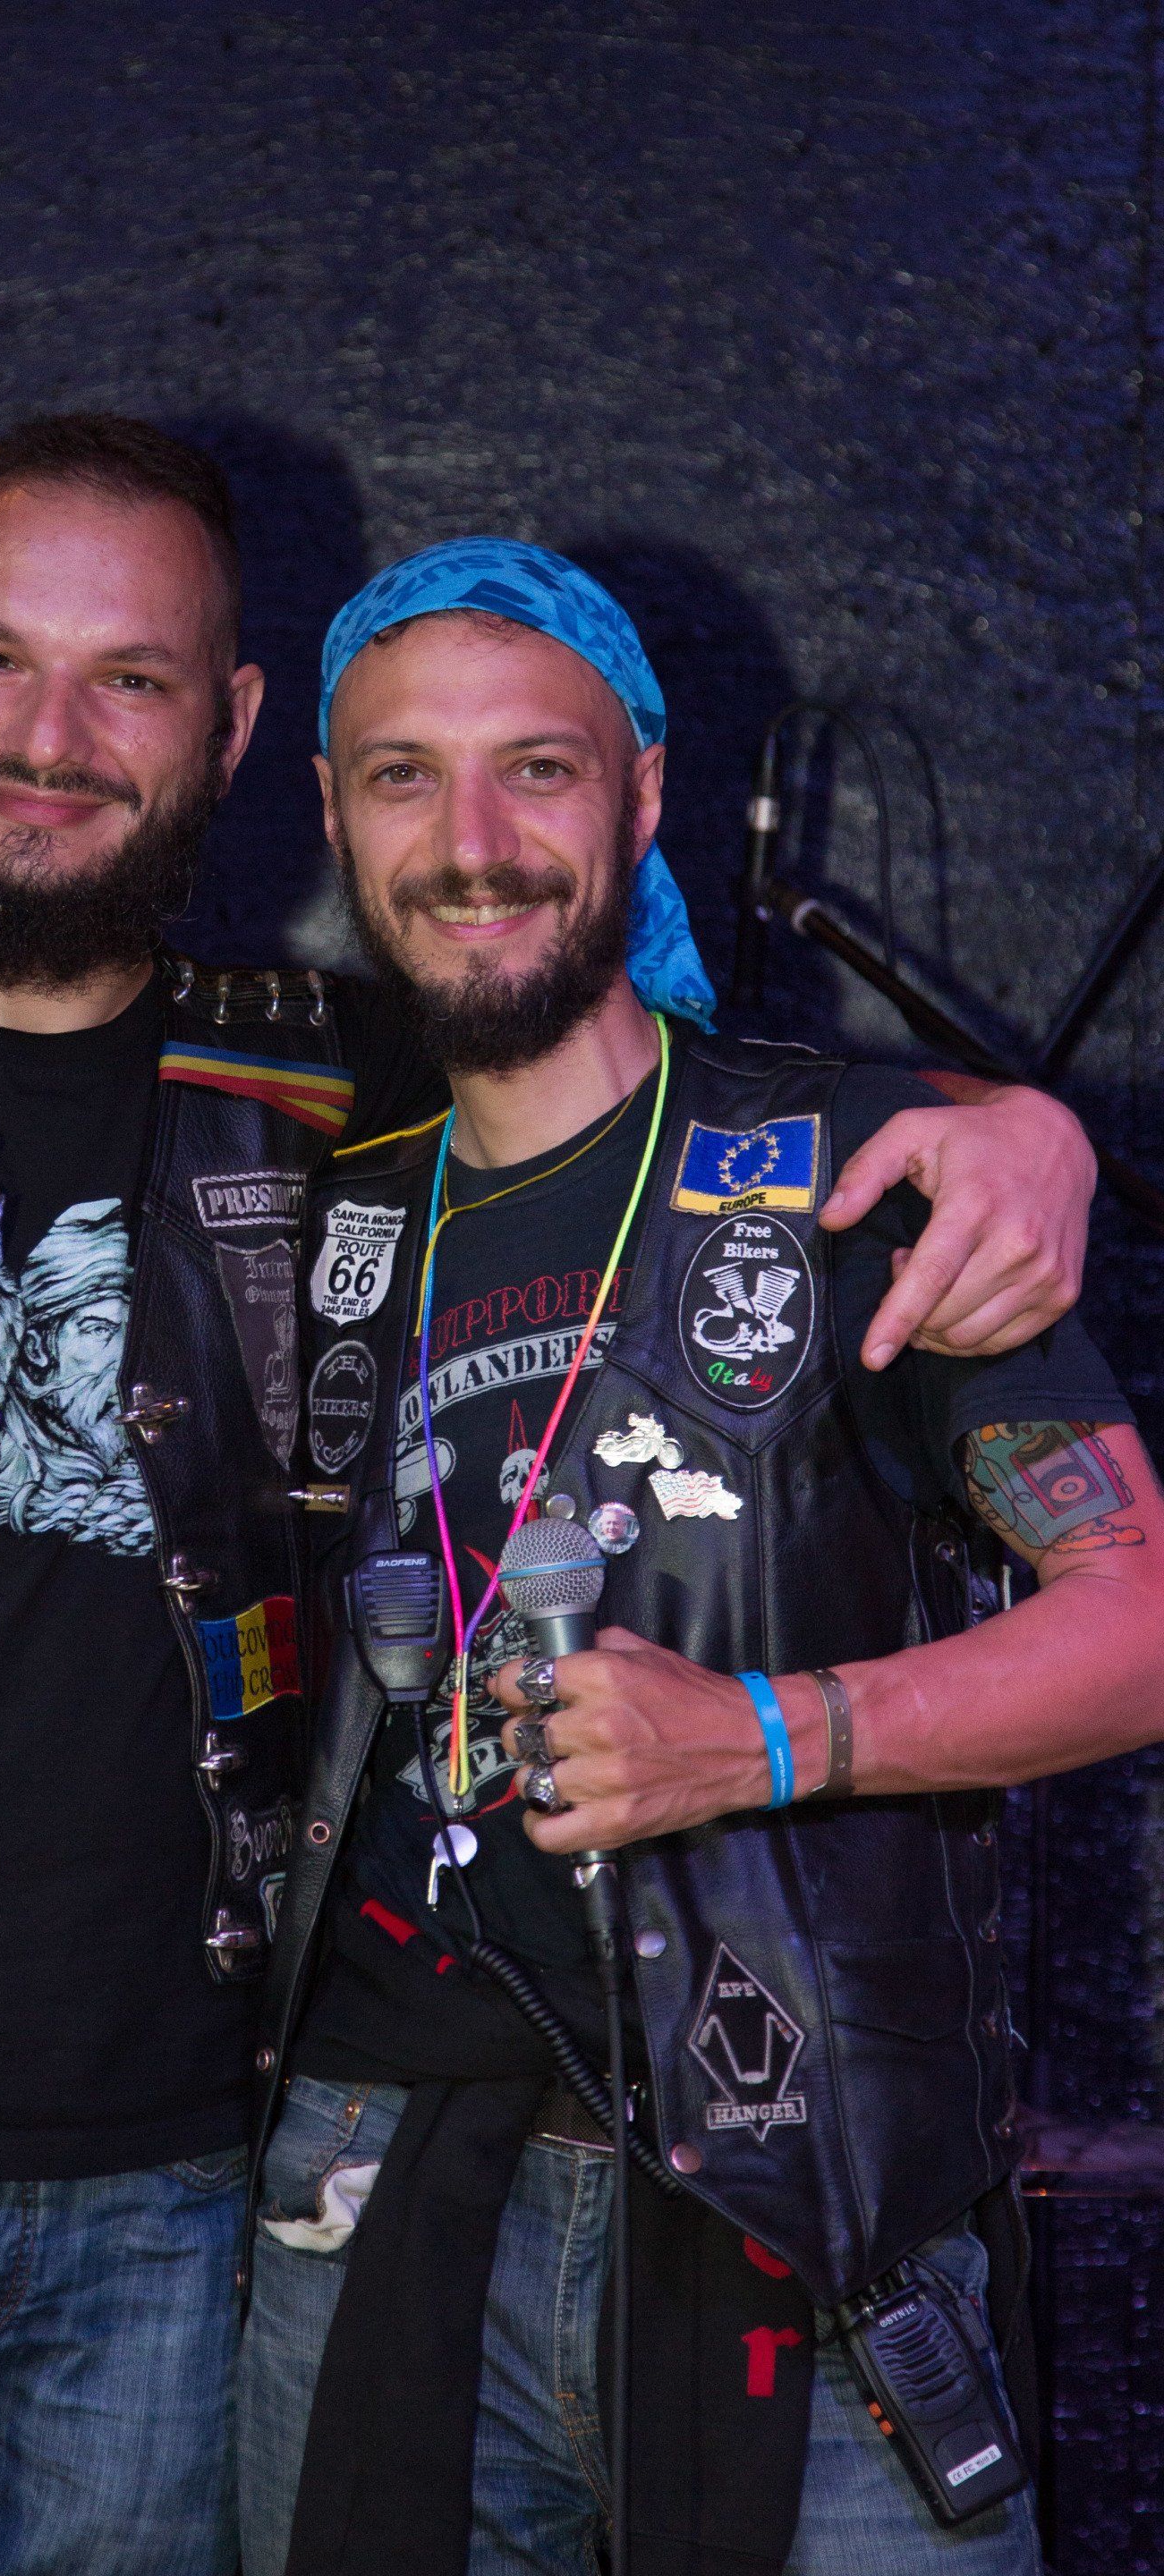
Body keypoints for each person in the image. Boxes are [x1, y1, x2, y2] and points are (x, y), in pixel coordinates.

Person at [0, 427, 1100, 2576]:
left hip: (166, 2211)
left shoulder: (332, 1078)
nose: (51, 737)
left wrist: (1016, 1125)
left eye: (129, 679)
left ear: (234, 734)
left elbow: (658, 1078)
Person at [240, 539, 1164, 2576]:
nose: (471, 844)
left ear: (645, 788)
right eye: (402, 775)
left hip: (807, 2192)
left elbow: (1143, 1622)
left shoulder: (863, 1174)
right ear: (328, 808)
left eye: (537, 769)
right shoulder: (316, 1207)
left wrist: (759, 1734)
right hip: (376, 2187)